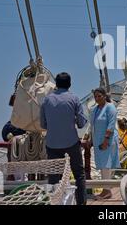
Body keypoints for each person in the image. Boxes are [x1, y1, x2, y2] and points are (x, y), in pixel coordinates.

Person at [40, 72, 87, 205]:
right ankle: (82, 203)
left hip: (52, 144)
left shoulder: (47, 100)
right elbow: (81, 123)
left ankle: (55, 202)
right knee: (79, 175)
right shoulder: (74, 99)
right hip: (71, 143)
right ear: (70, 84)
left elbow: (43, 124)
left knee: (54, 177)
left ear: (56, 84)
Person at [85, 87, 120, 200]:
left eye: (99, 96)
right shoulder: (95, 109)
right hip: (98, 141)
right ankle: (106, 190)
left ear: (105, 96)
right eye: (95, 96)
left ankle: (107, 191)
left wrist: (105, 141)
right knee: (102, 165)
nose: (97, 98)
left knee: (106, 165)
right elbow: (92, 125)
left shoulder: (110, 107)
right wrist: (90, 139)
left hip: (107, 141)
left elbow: (111, 125)